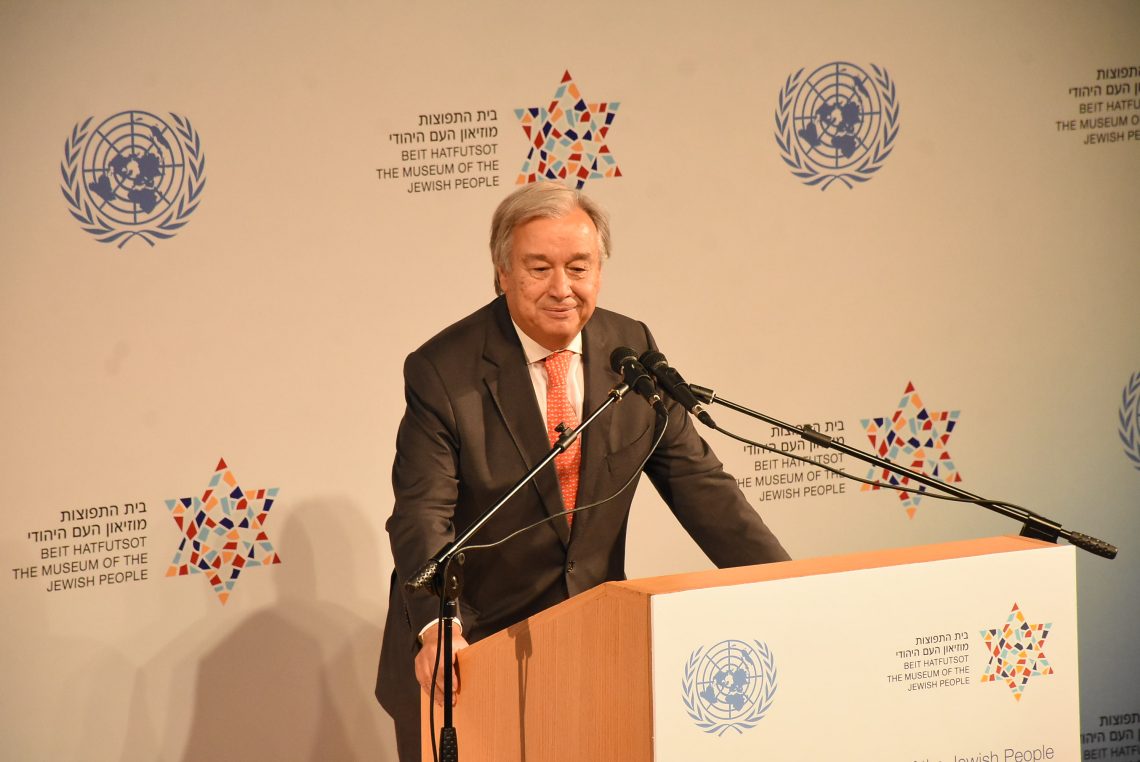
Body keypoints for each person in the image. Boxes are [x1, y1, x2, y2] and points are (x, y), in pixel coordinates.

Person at [375, 181, 789, 761]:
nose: (562, 289)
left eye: (579, 266)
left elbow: (700, 486)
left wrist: (787, 588)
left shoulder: (631, 349)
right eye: (539, 268)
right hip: (468, 653)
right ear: (502, 272)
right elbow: (422, 513)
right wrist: (440, 625)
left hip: (588, 650)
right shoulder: (443, 370)